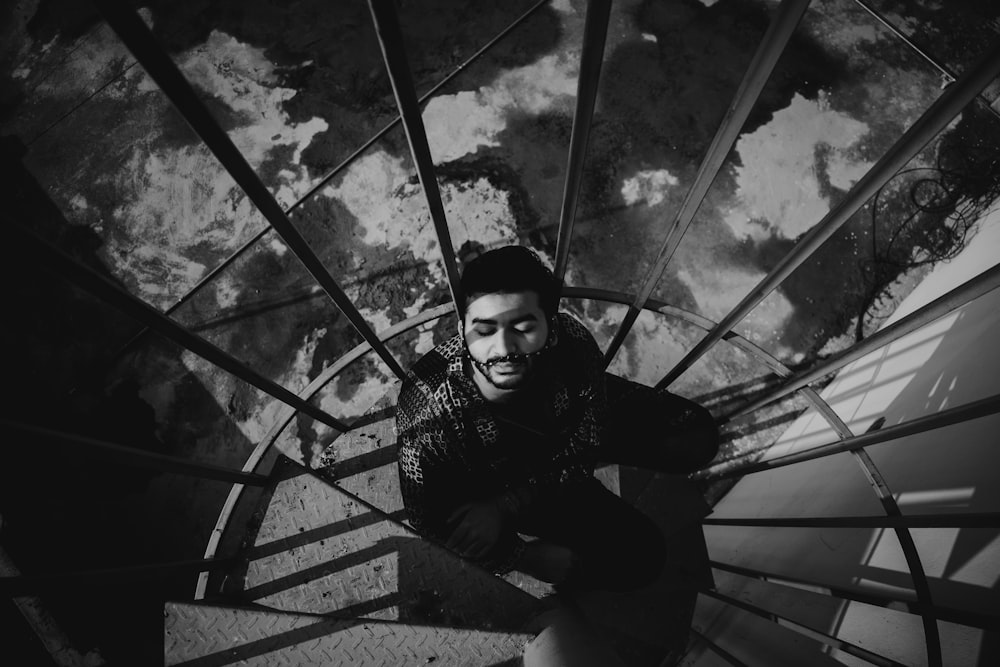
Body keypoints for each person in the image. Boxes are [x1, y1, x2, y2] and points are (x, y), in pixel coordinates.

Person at [395, 245, 718, 591]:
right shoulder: (428, 411)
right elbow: (427, 518)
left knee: (696, 434)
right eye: (485, 330)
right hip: (498, 477)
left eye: (522, 327)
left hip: (566, 432)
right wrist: (523, 557)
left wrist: (508, 505)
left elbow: (588, 440)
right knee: (645, 557)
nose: (504, 348)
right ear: (462, 331)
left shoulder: (573, 345)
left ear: (551, 326)